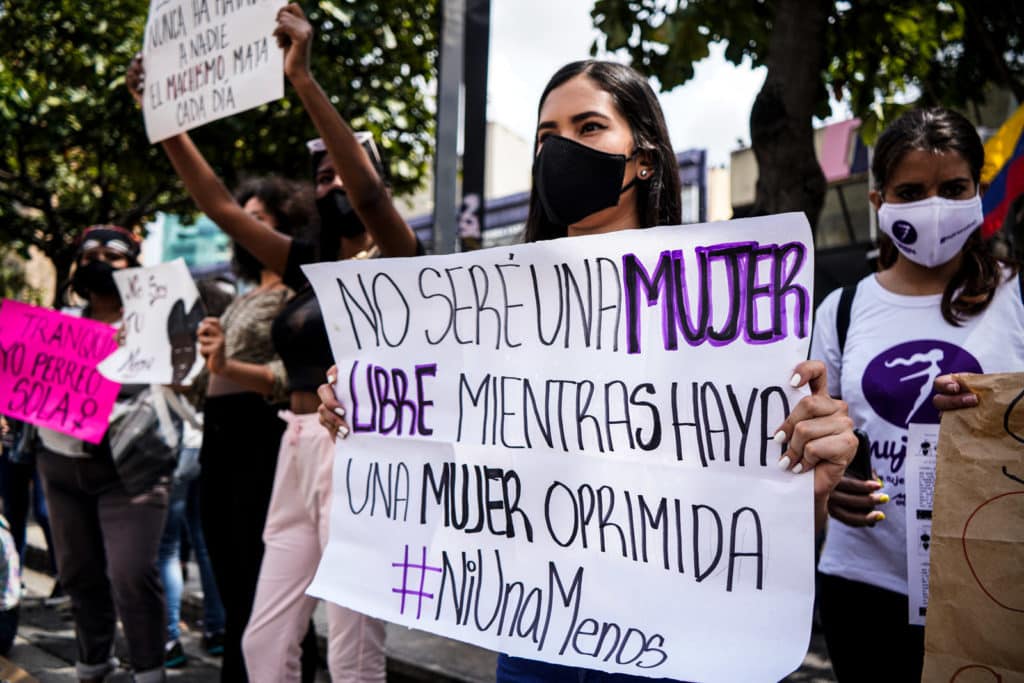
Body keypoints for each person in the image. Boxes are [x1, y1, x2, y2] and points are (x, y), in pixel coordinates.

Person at [317, 59, 859, 682]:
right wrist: (366, 411)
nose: (561, 149)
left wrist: (807, 489)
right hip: (531, 635)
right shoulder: (491, 307)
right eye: (547, 136)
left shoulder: (717, 310)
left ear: (645, 159)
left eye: (590, 127)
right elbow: (438, 435)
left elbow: (750, 519)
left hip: (665, 646)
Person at [126, 5, 420, 680]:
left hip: (360, 449)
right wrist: (161, 115)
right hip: (293, 447)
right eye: (321, 178)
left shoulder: (402, 257)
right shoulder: (307, 262)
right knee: (263, 642)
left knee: (352, 650)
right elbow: (221, 206)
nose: (334, 181)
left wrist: (303, 81)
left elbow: (371, 194)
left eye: (343, 168)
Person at [810, 107, 1024, 682]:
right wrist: (830, 490)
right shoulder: (843, 312)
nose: (934, 206)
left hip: (992, 577)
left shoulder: (1015, 298)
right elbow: (812, 439)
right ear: (878, 203)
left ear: (978, 192)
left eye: (953, 189)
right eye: (911, 191)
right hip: (863, 583)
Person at [35, 225, 168, 683]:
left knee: (131, 572)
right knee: (77, 572)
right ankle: (93, 661)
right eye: (88, 254)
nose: (98, 262)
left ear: (134, 265)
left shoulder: (158, 321)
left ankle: (149, 668)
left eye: (112, 256)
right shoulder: (58, 324)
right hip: (59, 465)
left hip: (131, 472)